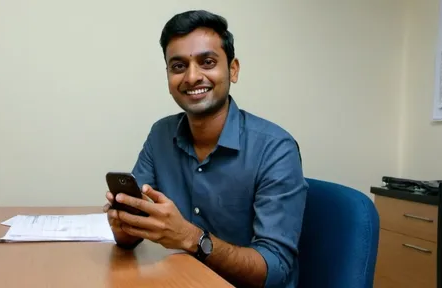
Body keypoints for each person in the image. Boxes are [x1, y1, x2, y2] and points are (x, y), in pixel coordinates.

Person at [103, 9, 308, 288]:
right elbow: (133, 233)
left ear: (232, 70)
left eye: (207, 62)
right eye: (178, 66)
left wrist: (190, 237)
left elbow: (275, 271)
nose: (191, 76)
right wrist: (124, 224)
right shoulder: (160, 134)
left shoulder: (275, 149)